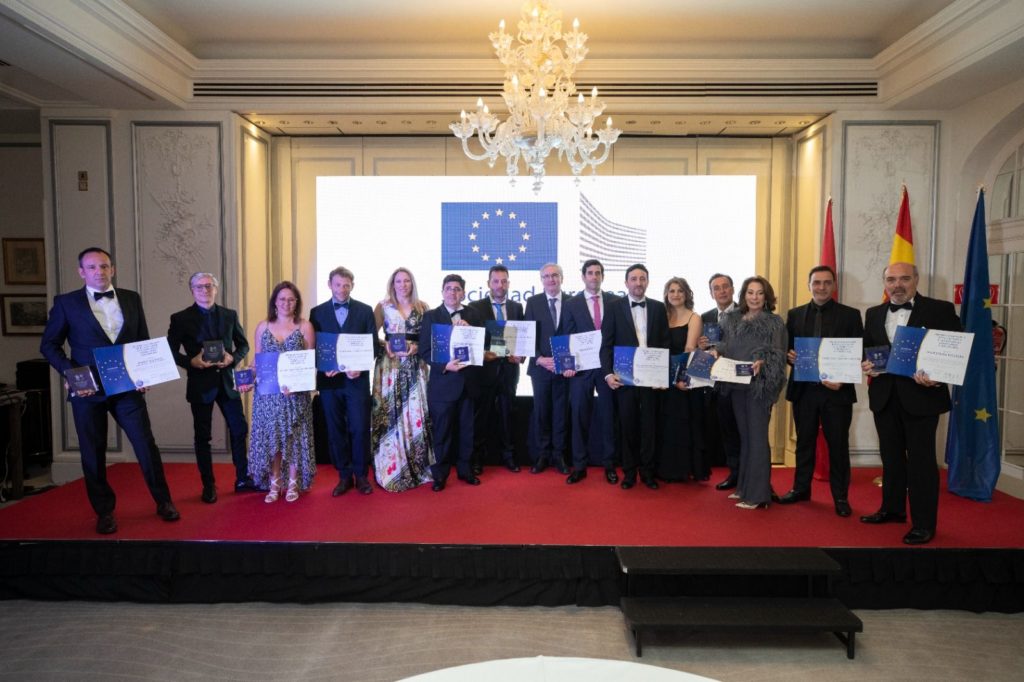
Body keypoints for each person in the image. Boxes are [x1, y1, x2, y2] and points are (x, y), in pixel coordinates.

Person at [40, 246, 179, 534]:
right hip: (88, 390)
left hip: (126, 386)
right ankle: (104, 512)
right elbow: (49, 345)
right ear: (82, 272)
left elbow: (141, 341)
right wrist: (71, 372)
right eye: (92, 267)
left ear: (112, 269)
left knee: (145, 445)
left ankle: (163, 501)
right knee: (93, 451)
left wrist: (145, 373)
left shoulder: (131, 298)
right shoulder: (66, 303)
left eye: (104, 266)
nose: (99, 272)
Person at [861, 261, 960, 544]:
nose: (897, 285)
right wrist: (866, 364)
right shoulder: (874, 313)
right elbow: (869, 350)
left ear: (916, 280)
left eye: (904, 279)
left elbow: (955, 348)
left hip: (923, 398)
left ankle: (924, 524)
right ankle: (892, 510)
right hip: (884, 397)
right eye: (891, 280)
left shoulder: (939, 309)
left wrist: (938, 377)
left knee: (922, 463)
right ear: (884, 283)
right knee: (891, 458)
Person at [781, 265, 864, 516]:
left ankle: (840, 497)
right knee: (804, 443)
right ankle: (800, 489)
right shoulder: (794, 315)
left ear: (834, 285)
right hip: (804, 391)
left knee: (837, 446)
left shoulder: (850, 315)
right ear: (809, 285)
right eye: (816, 282)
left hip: (836, 392)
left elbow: (858, 352)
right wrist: (789, 356)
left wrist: (843, 379)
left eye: (827, 283)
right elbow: (787, 349)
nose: (821, 287)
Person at [167, 272, 253, 504]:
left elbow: (243, 345)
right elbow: (171, 351)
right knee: (202, 437)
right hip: (200, 383)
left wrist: (232, 359)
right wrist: (190, 362)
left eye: (209, 286)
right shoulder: (180, 318)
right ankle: (208, 485)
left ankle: (243, 478)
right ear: (192, 290)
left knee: (239, 430)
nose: (205, 290)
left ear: (216, 289)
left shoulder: (229, 315)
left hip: (227, 382)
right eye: (199, 287)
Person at [713, 275, 787, 509]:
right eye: (750, 292)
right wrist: (717, 351)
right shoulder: (732, 319)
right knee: (745, 438)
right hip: (735, 385)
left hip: (759, 388)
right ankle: (744, 487)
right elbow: (729, 346)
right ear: (743, 295)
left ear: (766, 296)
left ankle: (757, 495)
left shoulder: (774, 322)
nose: (754, 297)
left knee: (756, 439)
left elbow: (778, 354)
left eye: (759, 293)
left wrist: (763, 362)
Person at [310, 267, 378, 497]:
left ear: (353, 286)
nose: (342, 289)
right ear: (329, 284)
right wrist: (323, 365)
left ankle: (361, 475)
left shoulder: (365, 310)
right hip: (329, 383)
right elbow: (315, 347)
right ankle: (343, 476)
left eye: (346, 285)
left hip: (357, 382)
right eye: (338, 284)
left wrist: (360, 367)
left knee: (359, 428)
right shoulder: (316, 312)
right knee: (335, 429)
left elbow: (373, 346)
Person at [601, 263, 670, 490]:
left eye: (642, 279)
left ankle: (648, 473)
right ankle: (629, 473)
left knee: (650, 426)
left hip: (652, 378)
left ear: (647, 282)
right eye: (634, 279)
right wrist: (608, 374)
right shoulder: (613, 307)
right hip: (625, 378)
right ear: (626, 282)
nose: (638, 283)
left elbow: (664, 344)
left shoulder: (659, 308)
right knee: (628, 425)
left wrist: (663, 376)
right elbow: (606, 344)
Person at [249, 281, 317, 503]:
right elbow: (256, 362)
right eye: (282, 299)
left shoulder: (305, 327)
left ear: (296, 302)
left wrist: (298, 385)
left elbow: (310, 363)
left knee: (294, 439)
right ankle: (274, 482)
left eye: (291, 299)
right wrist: (245, 378)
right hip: (267, 396)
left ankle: (293, 483)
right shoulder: (263, 327)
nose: (286, 303)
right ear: (274, 302)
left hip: (295, 396)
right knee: (272, 439)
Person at [371, 267, 435, 492]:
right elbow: (371, 335)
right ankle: (391, 467)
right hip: (389, 369)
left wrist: (417, 347)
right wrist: (384, 344)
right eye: (399, 281)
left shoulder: (423, 307)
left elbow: (429, 338)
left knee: (415, 414)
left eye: (407, 281)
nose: (403, 285)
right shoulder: (383, 306)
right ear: (392, 283)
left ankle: (416, 465)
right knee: (390, 414)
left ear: (412, 283)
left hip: (415, 367)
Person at [419, 274, 484, 491]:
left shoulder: (474, 315)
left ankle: (465, 472)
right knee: (442, 432)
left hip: (469, 383)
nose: (453, 293)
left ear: (463, 293)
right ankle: (440, 475)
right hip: (443, 384)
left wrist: (470, 331)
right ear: (442, 291)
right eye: (449, 288)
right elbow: (425, 351)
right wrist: (444, 366)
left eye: (457, 289)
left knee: (468, 431)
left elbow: (483, 346)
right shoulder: (430, 317)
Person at [561, 259, 620, 484]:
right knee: (578, 417)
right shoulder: (571, 304)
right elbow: (568, 337)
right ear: (583, 276)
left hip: (607, 369)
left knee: (608, 416)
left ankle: (609, 465)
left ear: (602, 276)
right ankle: (579, 465)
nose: (594, 277)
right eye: (590, 273)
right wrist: (567, 365)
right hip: (580, 370)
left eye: (598, 273)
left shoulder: (615, 302)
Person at [467, 265, 524, 474]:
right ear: (488, 283)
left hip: (509, 371)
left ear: (509, 283)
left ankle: (509, 457)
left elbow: (523, 339)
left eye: (504, 281)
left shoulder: (517, 307)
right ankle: (477, 459)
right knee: (481, 417)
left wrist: (522, 354)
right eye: (496, 281)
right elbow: (473, 339)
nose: (500, 285)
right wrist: (491, 353)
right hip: (485, 371)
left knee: (508, 415)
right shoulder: (474, 308)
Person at [523, 263, 571, 474]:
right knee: (542, 412)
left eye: (555, 276)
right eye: (547, 276)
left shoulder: (572, 301)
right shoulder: (532, 302)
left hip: (565, 369)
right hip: (541, 368)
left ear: (562, 278)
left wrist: (570, 363)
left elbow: (576, 334)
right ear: (541, 279)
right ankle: (543, 454)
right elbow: (527, 334)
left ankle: (559, 454)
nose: (551, 280)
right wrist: (539, 358)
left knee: (561, 413)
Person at [659, 276, 706, 482]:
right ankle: (666, 469)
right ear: (666, 295)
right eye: (672, 291)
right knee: (665, 424)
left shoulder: (694, 317)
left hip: (682, 381)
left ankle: (683, 470)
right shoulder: (661, 316)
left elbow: (690, 349)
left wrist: (679, 379)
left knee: (683, 423)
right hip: (662, 379)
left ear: (686, 294)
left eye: (680, 291)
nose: (676, 294)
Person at [700, 273, 742, 491]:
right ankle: (734, 474)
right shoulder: (705, 317)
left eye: (726, 286)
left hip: (740, 383)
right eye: (717, 288)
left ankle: (749, 477)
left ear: (733, 289)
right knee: (727, 432)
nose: (722, 291)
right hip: (716, 385)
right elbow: (704, 353)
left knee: (744, 432)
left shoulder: (746, 315)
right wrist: (701, 346)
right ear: (711, 293)